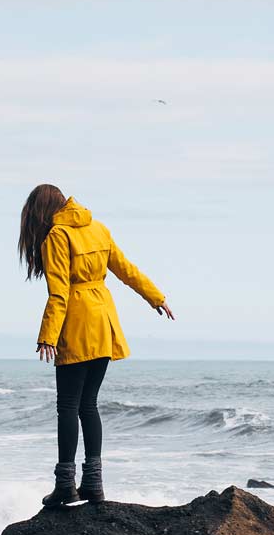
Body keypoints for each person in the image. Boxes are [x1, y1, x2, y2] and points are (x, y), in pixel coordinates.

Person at [18, 184, 173, 506]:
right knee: (89, 405)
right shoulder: (98, 228)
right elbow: (126, 270)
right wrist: (156, 297)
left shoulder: (57, 236)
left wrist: (48, 335)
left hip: (76, 322)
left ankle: (65, 485)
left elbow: (58, 292)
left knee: (68, 407)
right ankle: (94, 485)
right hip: (104, 320)